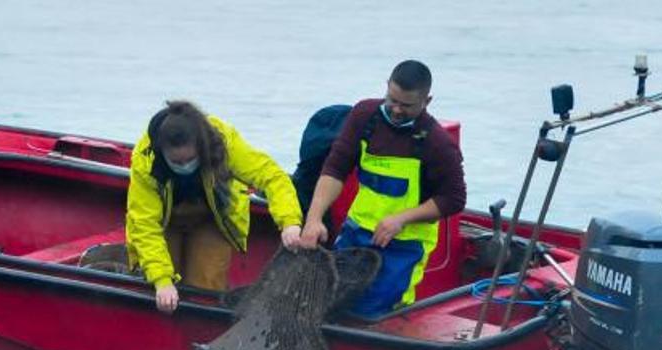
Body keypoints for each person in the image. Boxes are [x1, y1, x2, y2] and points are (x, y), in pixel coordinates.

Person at [298, 60, 466, 317]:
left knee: (375, 312)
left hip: (404, 247)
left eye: (406, 105)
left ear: (427, 101)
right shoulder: (364, 116)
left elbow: (454, 199)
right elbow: (336, 168)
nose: (396, 110)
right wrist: (314, 218)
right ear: (387, 87)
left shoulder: (437, 143)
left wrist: (401, 219)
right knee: (331, 303)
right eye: (392, 100)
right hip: (356, 234)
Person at [127, 100, 304, 314]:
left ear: (201, 146)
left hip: (212, 219)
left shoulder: (224, 141)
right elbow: (145, 224)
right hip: (164, 222)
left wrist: (290, 222)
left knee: (206, 290)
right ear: (162, 152)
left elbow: (271, 176)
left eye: (190, 159)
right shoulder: (145, 160)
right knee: (157, 288)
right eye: (176, 161)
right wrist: (162, 280)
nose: (184, 165)